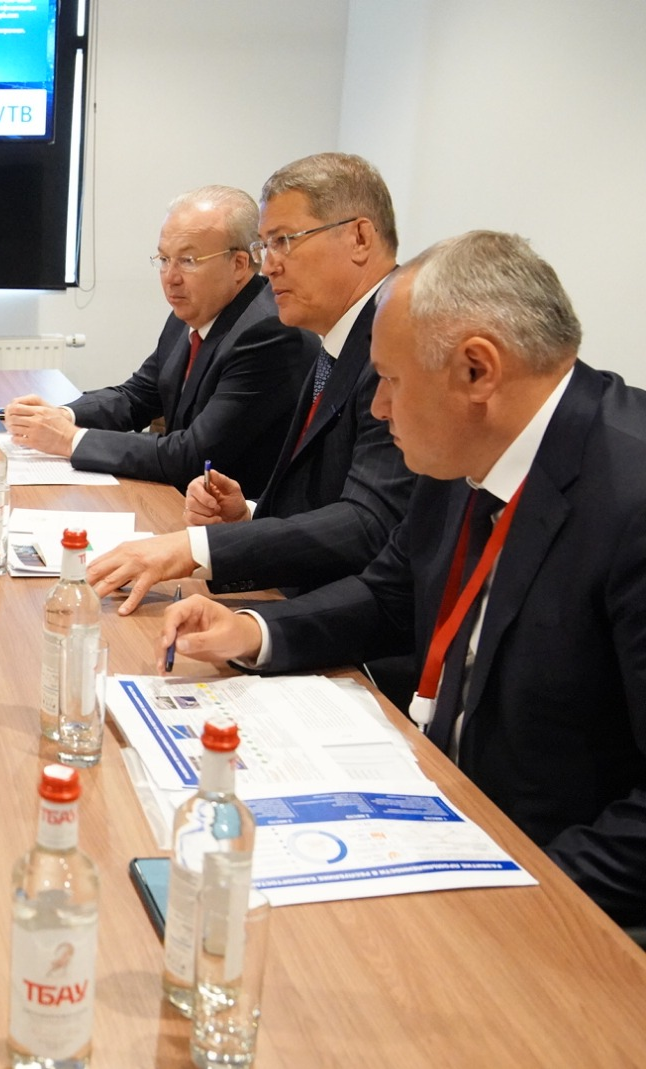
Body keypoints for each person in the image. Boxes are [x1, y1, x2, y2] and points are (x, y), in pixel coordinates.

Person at [157, 231, 646, 928]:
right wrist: (254, 630)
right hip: (444, 809)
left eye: (389, 380)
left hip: (554, 886)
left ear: (477, 371)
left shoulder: (629, 496)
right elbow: (389, 594)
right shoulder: (466, 444)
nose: (379, 409)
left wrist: (525, 900)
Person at [87, 153, 414, 612]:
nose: (268, 266)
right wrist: (246, 514)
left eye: (284, 241)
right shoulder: (337, 339)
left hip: (357, 623)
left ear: (359, 237)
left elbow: (369, 524)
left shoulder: (400, 342)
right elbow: (326, 500)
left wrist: (197, 549)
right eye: (266, 245)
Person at [4, 185, 315, 496]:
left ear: (239, 264)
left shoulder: (268, 333)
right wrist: (61, 416)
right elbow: (137, 396)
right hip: (184, 498)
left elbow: (193, 455)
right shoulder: (189, 313)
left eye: (188, 260)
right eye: (164, 259)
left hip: (235, 513)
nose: (171, 277)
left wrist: (68, 439)